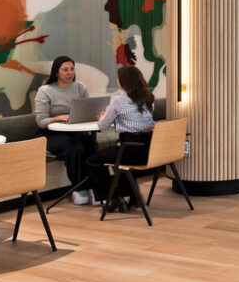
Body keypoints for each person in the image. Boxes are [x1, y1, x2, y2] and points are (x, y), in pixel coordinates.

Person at [85, 66, 156, 210]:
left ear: (122, 82)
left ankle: (115, 198)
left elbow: (102, 126)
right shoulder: (149, 98)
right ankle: (134, 197)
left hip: (129, 150)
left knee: (92, 161)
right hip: (149, 149)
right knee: (121, 165)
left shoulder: (119, 101)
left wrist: (103, 117)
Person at [35, 56, 94, 205]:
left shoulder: (80, 87)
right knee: (74, 147)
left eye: (72, 69)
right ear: (57, 72)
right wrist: (58, 118)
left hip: (75, 130)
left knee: (91, 143)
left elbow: (88, 110)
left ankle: (96, 187)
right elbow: (41, 121)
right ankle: (79, 188)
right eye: (65, 70)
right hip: (51, 134)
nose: (70, 73)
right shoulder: (45, 91)